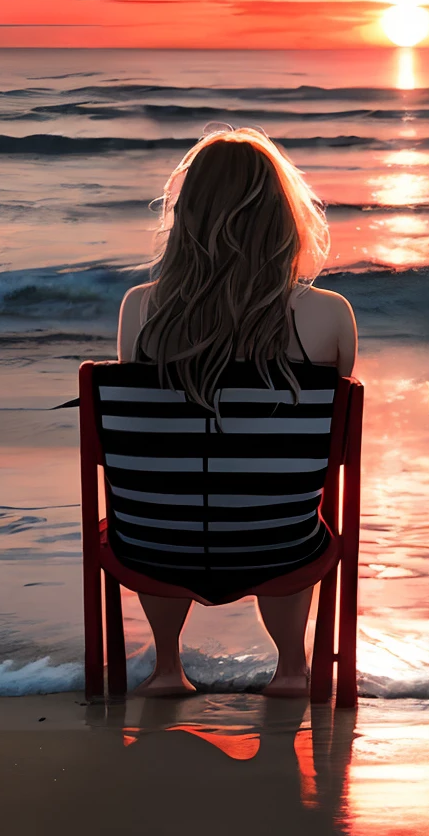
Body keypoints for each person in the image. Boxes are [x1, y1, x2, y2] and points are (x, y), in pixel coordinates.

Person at [114, 126, 357, 698]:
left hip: (155, 541)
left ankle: (168, 668)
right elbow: (331, 449)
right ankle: (293, 669)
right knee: (287, 503)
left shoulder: (140, 309)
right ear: (280, 216)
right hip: (278, 541)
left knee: (166, 493)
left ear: (187, 216)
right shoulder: (328, 315)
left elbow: (147, 441)